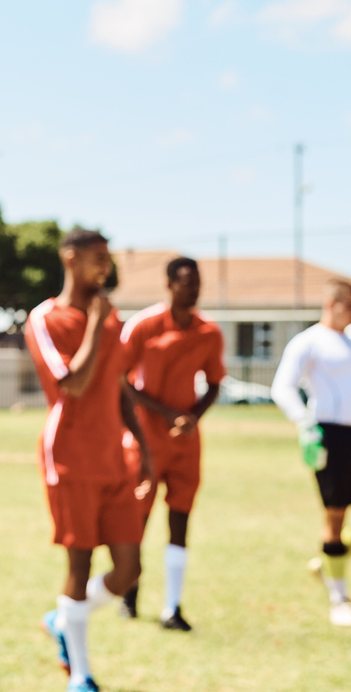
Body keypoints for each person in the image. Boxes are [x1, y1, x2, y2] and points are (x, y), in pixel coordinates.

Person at [25, 228, 154, 692]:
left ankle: (62, 620)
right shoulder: (45, 317)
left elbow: (117, 386)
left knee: (129, 570)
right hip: (70, 457)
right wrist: (97, 323)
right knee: (79, 567)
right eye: (97, 258)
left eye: (108, 258)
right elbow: (73, 386)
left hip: (113, 457)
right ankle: (81, 674)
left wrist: (143, 447)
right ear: (70, 258)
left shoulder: (111, 317)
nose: (105, 266)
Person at [117, 256, 225, 631]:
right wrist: (164, 412)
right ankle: (129, 591)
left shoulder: (209, 332)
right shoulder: (145, 325)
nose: (193, 288)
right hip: (145, 437)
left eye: (197, 282)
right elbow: (121, 380)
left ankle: (172, 607)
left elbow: (214, 383)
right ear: (169, 284)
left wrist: (192, 417)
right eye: (185, 282)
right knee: (138, 518)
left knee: (180, 519)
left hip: (185, 440)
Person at [271, 278, 351, 627]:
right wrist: (305, 423)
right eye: (350, 306)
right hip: (331, 435)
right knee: (335, 516)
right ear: (332, 304)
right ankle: (339, 596)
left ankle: (328, 562)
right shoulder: (309, 342)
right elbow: (283, 386)